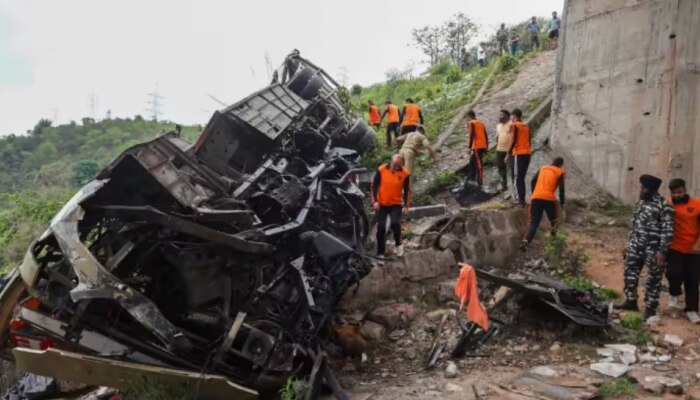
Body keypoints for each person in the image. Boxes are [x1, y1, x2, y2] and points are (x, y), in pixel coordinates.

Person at [616, 175, 675, 321]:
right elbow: (636, 226)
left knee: (653, 279)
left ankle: (650, 308)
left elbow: (668, 230)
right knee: (630, 273)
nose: (640, 189)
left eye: (643, 187)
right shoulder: (641, 202)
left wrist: (662, 251)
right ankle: (630, 301)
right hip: (636, 246)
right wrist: (629, 244)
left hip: (654, 249)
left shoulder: (664, 205)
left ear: (651, 189)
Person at [665, 179, 700, 323]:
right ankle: (674, 293)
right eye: (674, 193)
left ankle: (691, 310)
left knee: (692, 280)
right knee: (673, 273)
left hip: (694, 250)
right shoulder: (667, 204)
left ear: (685, 190)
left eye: (679, 192)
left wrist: (698, 245)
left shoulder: (697, 204)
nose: (677, 195)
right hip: (674, 247)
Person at [521, 157, 565, 250]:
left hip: (536, 198)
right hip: (549, 198)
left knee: (534, 222)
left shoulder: (543, 168)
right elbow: (561, 189)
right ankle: (553, 241)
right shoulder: (560, 171)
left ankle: (526, 240)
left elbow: (533, 181)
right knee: (554, 221)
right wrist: (562, 203)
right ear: (561, 165)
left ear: (552, 162)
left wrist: (534, 194)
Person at [371, 154, 411, 257]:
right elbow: (374, 186)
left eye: (398, 166)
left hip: (396, 204)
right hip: (382, 203)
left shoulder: (405, 173)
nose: (396, 168)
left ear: (401, 164)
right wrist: (375, 201)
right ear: (391, 162)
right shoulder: (381, 170)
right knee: (381, 228)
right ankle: (380, 252)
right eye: (394, 165)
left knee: (395, 224)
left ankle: (399, 245)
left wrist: (406, 206)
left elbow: (407, 190)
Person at [505, 109, 531, 207]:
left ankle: (518, 200)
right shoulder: (525, 126)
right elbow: (529, 140)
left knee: (516, 178)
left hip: (518, 154)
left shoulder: (514, 125)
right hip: (527, 154)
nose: (511, 119)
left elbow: (512, 141)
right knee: (521, 178)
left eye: (511, 117)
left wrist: (508, 154)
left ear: (515, 116)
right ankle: (522, 200)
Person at [466, 110, 488, 186]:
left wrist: (469, 147)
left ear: (469, 116)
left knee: (479, 164)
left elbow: (471, 135)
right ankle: (472, 177)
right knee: (472, 161)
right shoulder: (481, 123)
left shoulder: (471, 123)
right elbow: (485, 135)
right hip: (483, 145)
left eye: (467, 117)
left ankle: (480, 182)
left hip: (477, 146)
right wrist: (486, 147)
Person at [495, 110, 512, 192]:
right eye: (499, 115)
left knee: (512, 168)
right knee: (501, 168)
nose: (500, 116)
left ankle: (515, 186)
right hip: (499, 150)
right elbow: (497, 136)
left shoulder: (512, 124)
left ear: (507, 116)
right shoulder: (498, 126)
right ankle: (503, 185)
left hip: (509, 150)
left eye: (502, 115)